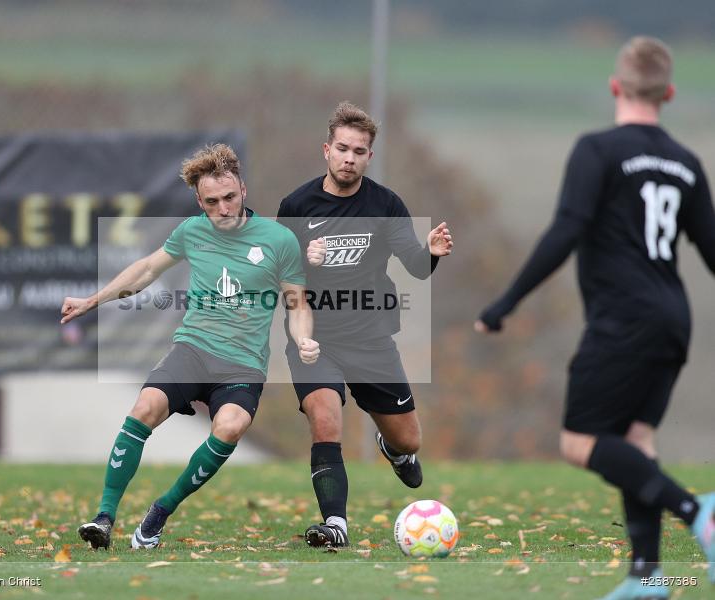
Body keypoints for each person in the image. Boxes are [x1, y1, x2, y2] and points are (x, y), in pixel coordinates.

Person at [475, 37, 715, 598]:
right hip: (672, 319)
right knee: (636, 440)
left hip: (623, 319)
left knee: (579, 441)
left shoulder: (597, 150)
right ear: (669, 93)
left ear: (615, 87)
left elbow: (565, 230)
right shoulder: (685, 163)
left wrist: (505, 303)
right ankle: (647, 577)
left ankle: (697, 512)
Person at [63, 143, 318, 551]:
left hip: (242, 366)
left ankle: (161, 511)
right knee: (144, 408)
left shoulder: (278, 239)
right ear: (200, 202)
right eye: (212, 201)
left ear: (244, 191)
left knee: (231, 427)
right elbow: (146, 270)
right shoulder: (191, 231)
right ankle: (104, 517)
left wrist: (304, 337)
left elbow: (297, 303)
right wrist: (93, 300)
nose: (223, 208)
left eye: (230, 197)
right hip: (193, 351)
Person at [277, 101, 453, 547]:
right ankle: (335, 524)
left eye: (359, 150)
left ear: (369, 156)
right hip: (314, 338)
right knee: (325, 419)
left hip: (371, 339)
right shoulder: (296, 205)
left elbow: (414, 265)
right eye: (342, 148)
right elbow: (279, 277)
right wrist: (302, 260)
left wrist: (430, 251)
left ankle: (392, 449)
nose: (349, 157)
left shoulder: (385, 204)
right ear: (326, 150)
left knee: (410, 439)